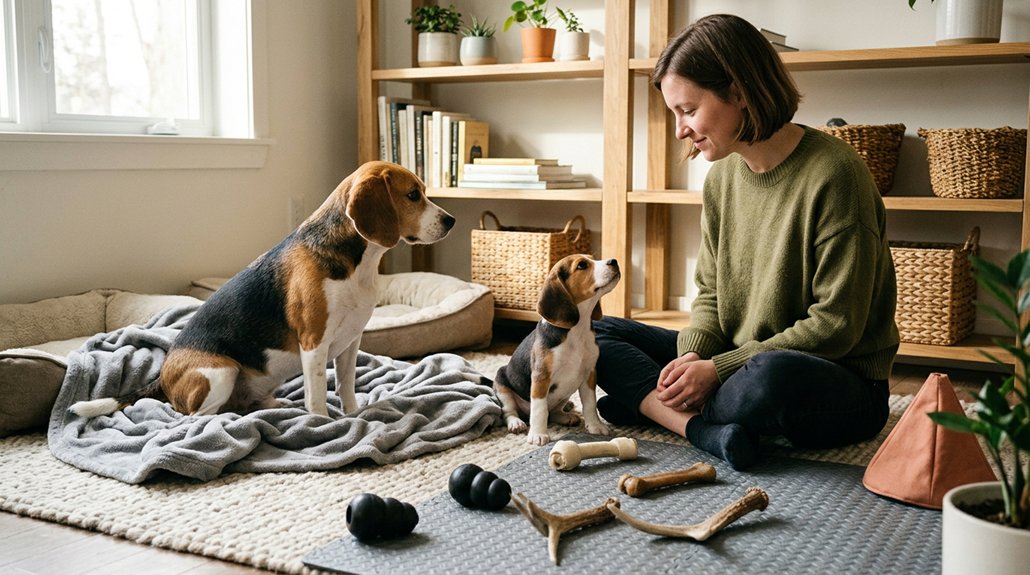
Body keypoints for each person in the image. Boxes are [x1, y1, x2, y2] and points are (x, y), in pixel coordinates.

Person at [593, 13, 899, 470]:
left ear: (738, 91)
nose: (680, 130)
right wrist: (694, 355)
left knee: (768, 379)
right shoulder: (722, 179)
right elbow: (712, 294)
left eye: (688, 110)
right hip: (738, 357)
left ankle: (652, 406)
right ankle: (693, 422)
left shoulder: (837, 175)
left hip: (834, 380)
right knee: (596, 332)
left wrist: (716, 371)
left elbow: (836, 325)